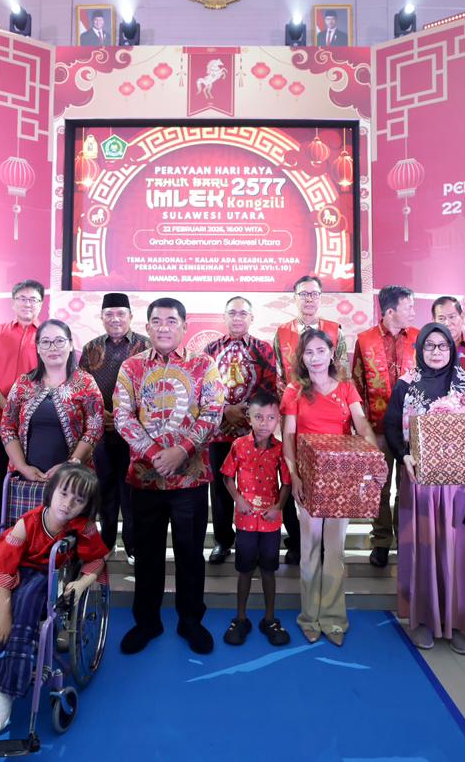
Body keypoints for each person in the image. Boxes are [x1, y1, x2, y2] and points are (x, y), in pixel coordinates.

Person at [0, 464, 107, 743]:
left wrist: (80, 585)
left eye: (78, 500)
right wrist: (4, 613)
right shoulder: (27, 523)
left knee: (29, 607)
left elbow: (97, 559)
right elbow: (3, 568)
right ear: (51, 491)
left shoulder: (84, 526)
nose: (68, 503)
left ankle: (6, 692)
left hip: (41, 572)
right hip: (0, 570)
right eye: (64, 493)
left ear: (87, 505)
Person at [114, 297, 224, 655]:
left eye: (171, 321)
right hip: (145, 479)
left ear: (184, 326)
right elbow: (122, 416)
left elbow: (213, 412)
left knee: (190, 553)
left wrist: (182, 450)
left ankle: (191, 621)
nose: (164, 327)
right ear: (147, 327)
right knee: (147, 554)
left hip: (190, 479)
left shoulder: (204, 365)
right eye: (157, 321)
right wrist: (153, 454)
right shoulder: (131, 367)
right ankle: (147, 622)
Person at [385, 323, 465, 655]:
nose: (436, 352)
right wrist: (403, 456)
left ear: (452, 349)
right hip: (420, 484)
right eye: (429, 345)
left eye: (443, 345)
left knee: (459, 551)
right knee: (423, 549)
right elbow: (391, 426)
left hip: (460, 485)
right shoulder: (406, 385)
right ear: (419, 350)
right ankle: (424, 620)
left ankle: (459, 622)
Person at [282, 328, 380, 646]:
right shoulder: (294, 391)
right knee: (310, 550)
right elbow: (288, 437)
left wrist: (373, 456)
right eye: (308, 352)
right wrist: (294, 476)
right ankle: (309, 617)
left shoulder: (347, 388)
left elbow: (361, 423)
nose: (315, 358)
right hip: (308, 480)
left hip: (341, 481)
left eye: (320, 351)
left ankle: (334, 618)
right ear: (302, 357)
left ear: (331, 354)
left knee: (335, 551)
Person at [273, 274, 348, 563]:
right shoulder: (282, 332)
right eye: (303, 294)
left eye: (313, 294)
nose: (309, 299)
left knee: (328, 477)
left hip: (329, 421)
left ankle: (327, 545)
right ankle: (297, 540)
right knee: (293, 477)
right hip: (294, 417)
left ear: (320, 297)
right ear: (295, 298)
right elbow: (279, 375)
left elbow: (342, 374)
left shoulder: (335, 330)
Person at [0, 319, 103, 525]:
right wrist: (22, 467)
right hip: (27, 481)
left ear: (71, 344)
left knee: (68, 539)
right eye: (45, 342)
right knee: (26, 535)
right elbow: (7, 427)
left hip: (72, 482)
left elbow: (95, 428)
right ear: (38, 348)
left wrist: (70, 465)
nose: (52, 347)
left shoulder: (85, 382)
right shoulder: (24, 383)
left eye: (59, 341)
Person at [202, 296, 279, 565]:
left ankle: (255, 538)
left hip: (254, 433)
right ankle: (222, 541)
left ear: (251, 318)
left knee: (258, 484)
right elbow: (204, 388)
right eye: (232, 313)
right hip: (219, 431)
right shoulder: (211, 349)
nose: (237, 318)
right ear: (224, 317)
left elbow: (270, 388)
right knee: (220, 487)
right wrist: (225, 410)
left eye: (243, 313)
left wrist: (244, 412)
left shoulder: (263, 349)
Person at [78, 292, 149, 560]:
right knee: (105, 490)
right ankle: (106, 544)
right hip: (102, 432)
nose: (115, 319)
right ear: (102, 317)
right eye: (109, 314)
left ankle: (133, 546)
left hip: (137, 435)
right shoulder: (91, 348)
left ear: (130, 316)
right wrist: (103, 414)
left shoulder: (146, 346)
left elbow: (154, 388)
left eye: (121, 314)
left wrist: (123, 417)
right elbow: (82, 388)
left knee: (132, 492)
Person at [352, 285, 419, 568]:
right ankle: (380, 541)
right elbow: (356, 385)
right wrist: (363, 429)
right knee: (378, 486)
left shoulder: (418, 338)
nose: (413, 312)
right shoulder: (365, 340)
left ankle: (405, 541)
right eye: (408, 307)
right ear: (390, 311)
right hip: (377, 429)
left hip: (411, 430)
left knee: (408, 487)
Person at [220, 389, 292, 647]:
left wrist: (278, 506)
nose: (264, 423)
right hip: (246, 521)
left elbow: (287, 483)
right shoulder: (238, 445)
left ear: (278, 420)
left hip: (270, 522)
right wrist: (238, 499)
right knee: (245, 569)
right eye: (258, 417)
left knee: (269, 570)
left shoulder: (281, 449)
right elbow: (227, 476)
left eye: (271, 418)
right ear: (248, 418)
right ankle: (241, 618)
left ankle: (269, 619)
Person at [0, 279, 44, 522]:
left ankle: (34, 530)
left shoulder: (47, 335)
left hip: (37, 423)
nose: (28, 303)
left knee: (35, 476)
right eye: (22, 298)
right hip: (0, 419)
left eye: (33, 299)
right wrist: (7, 406)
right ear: (13, 303)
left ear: (41, 304)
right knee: (2, 476)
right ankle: (0, 530)